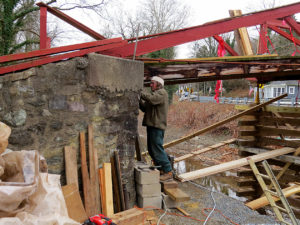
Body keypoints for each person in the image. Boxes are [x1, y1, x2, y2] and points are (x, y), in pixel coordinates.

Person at [139, 76, 173, 181]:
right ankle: (161, 169)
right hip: (152, 125)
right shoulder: (156, 95)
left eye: (152, 83)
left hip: (157, 126)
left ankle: (168, 171)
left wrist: (139, 92)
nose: (150, 85)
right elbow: (145, 108)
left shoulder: (162, 93)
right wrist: (139, 100)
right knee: (151, 149)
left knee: (157, 149)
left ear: (159, 84)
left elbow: (152, 100)